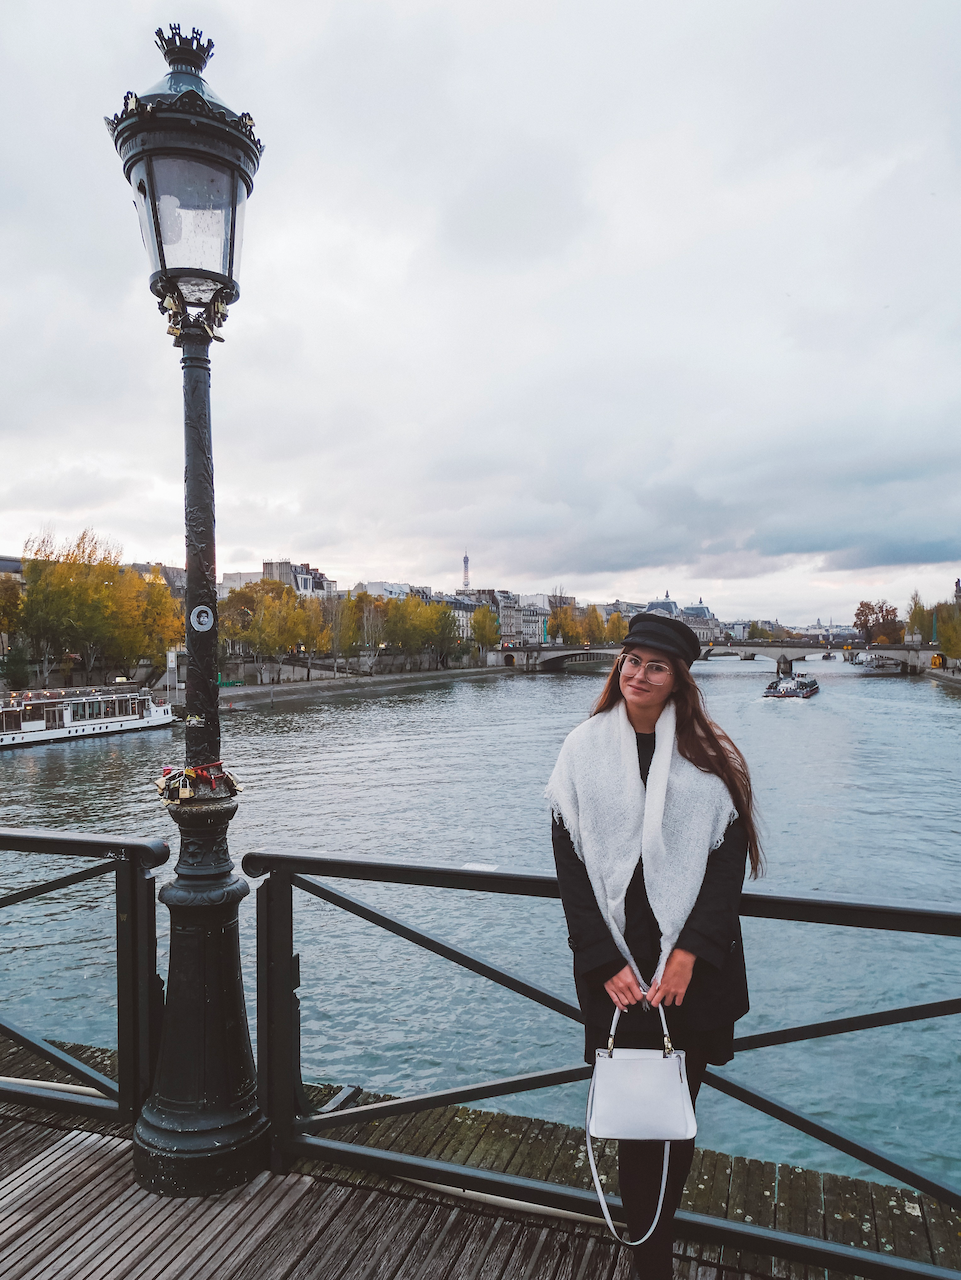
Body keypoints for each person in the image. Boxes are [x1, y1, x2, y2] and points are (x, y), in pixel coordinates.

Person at [546, 613, 762, 1280]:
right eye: (631, 659)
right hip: (617, 970)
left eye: (655, 666)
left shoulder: (708, 755)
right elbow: (570, 866)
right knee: (637, 1123)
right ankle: (650, 1259)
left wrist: (689, 954)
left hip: (688, 972)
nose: (637, 674)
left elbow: (727, 867)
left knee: (672, 1118)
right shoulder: (582, 749)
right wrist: (602, 961)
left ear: (678, 680)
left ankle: (651, 1247)